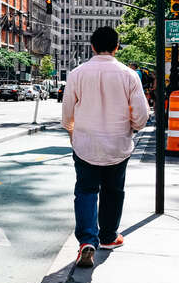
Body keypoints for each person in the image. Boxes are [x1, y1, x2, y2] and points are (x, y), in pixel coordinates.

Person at [62, 26, 150, 269]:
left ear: (91, 46)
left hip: (86, 143)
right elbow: (142, 116)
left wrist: (72, 133)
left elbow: (67, 112)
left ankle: (87, 241)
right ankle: (109, 237)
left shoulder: (77, 73)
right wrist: (131, 127)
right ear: (117, 46)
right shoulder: (129, 75)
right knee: (113, 190)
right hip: (117, 143)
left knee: (86, 191)